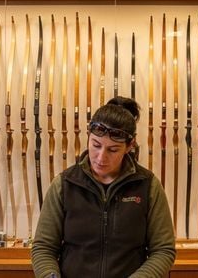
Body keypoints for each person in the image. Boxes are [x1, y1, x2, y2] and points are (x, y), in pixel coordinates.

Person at [31, 96, 176, 278]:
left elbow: (163, 250)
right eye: (96, 145)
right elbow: (43, 247)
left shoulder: (148, 185)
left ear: (129, 146)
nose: (101, 157)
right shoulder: (63, 184)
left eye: (113, 150)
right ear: (88, 137)